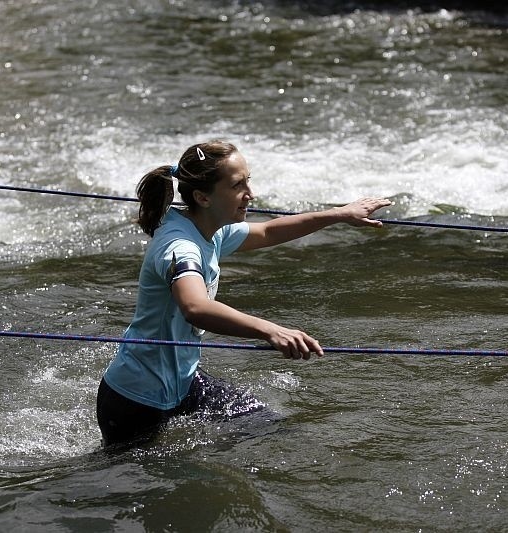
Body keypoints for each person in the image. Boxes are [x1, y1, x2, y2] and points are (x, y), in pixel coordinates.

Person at [96, 140, 391, 446]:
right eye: (238, 185)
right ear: (202, 197)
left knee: (265, 425)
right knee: (129, 486)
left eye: (247, 181)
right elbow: (194, 307)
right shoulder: (180, 247)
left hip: (181, 383)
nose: (251, 194)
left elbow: (268, 231)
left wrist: (340, 214)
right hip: (135, 398)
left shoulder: (211, 228)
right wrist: (270, 330)